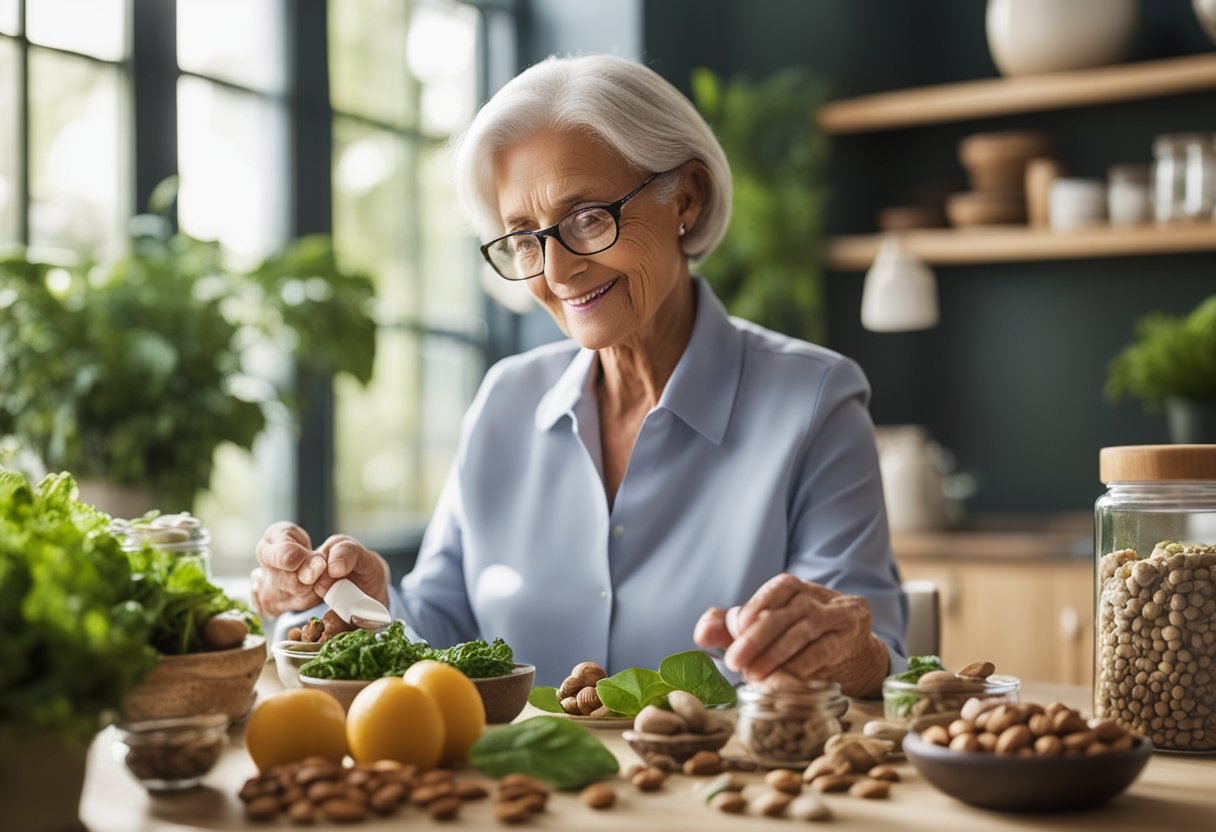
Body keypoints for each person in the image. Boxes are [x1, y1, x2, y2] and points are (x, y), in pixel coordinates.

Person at [253, 54, 907, 697]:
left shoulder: (815, 401)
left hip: (730, 795)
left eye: (589, 217)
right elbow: (442, 632)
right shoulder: (506, 400)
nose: (558, 272)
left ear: (687, 196)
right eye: (524, 238)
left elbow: (874, 661)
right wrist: (359, 600)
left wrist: (840, 651)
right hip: (518, 798)